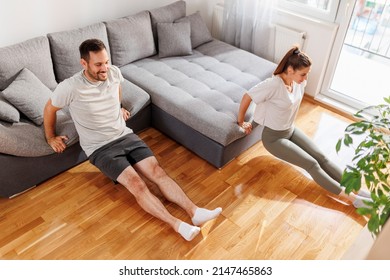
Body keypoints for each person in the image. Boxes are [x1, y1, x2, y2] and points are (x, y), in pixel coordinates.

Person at [43, 38, 222, 241]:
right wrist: (50, 136)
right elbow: (50, 108)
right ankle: (177, 225)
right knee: (137, 184)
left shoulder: (113, 73)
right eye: (99, 64)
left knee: (157, 172)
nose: (105, 68)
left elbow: (116, 88)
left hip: (124, 134)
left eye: (106, 62)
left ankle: (195, 212)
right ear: (84, 64)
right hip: (100, 147)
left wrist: (117, 106)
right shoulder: (70, 87)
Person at [237, 46, 372, 208]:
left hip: (290, 130)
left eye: (306, 73)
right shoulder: (273, 85)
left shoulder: (297, 82)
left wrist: (301, 78)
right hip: (273, 138)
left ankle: (358, 190)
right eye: (303, 74)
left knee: (322, 158)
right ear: (290, 69)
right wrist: (241, 121)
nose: (305, 78)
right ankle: (354, 200)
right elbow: (247, 96)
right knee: (311, 164)